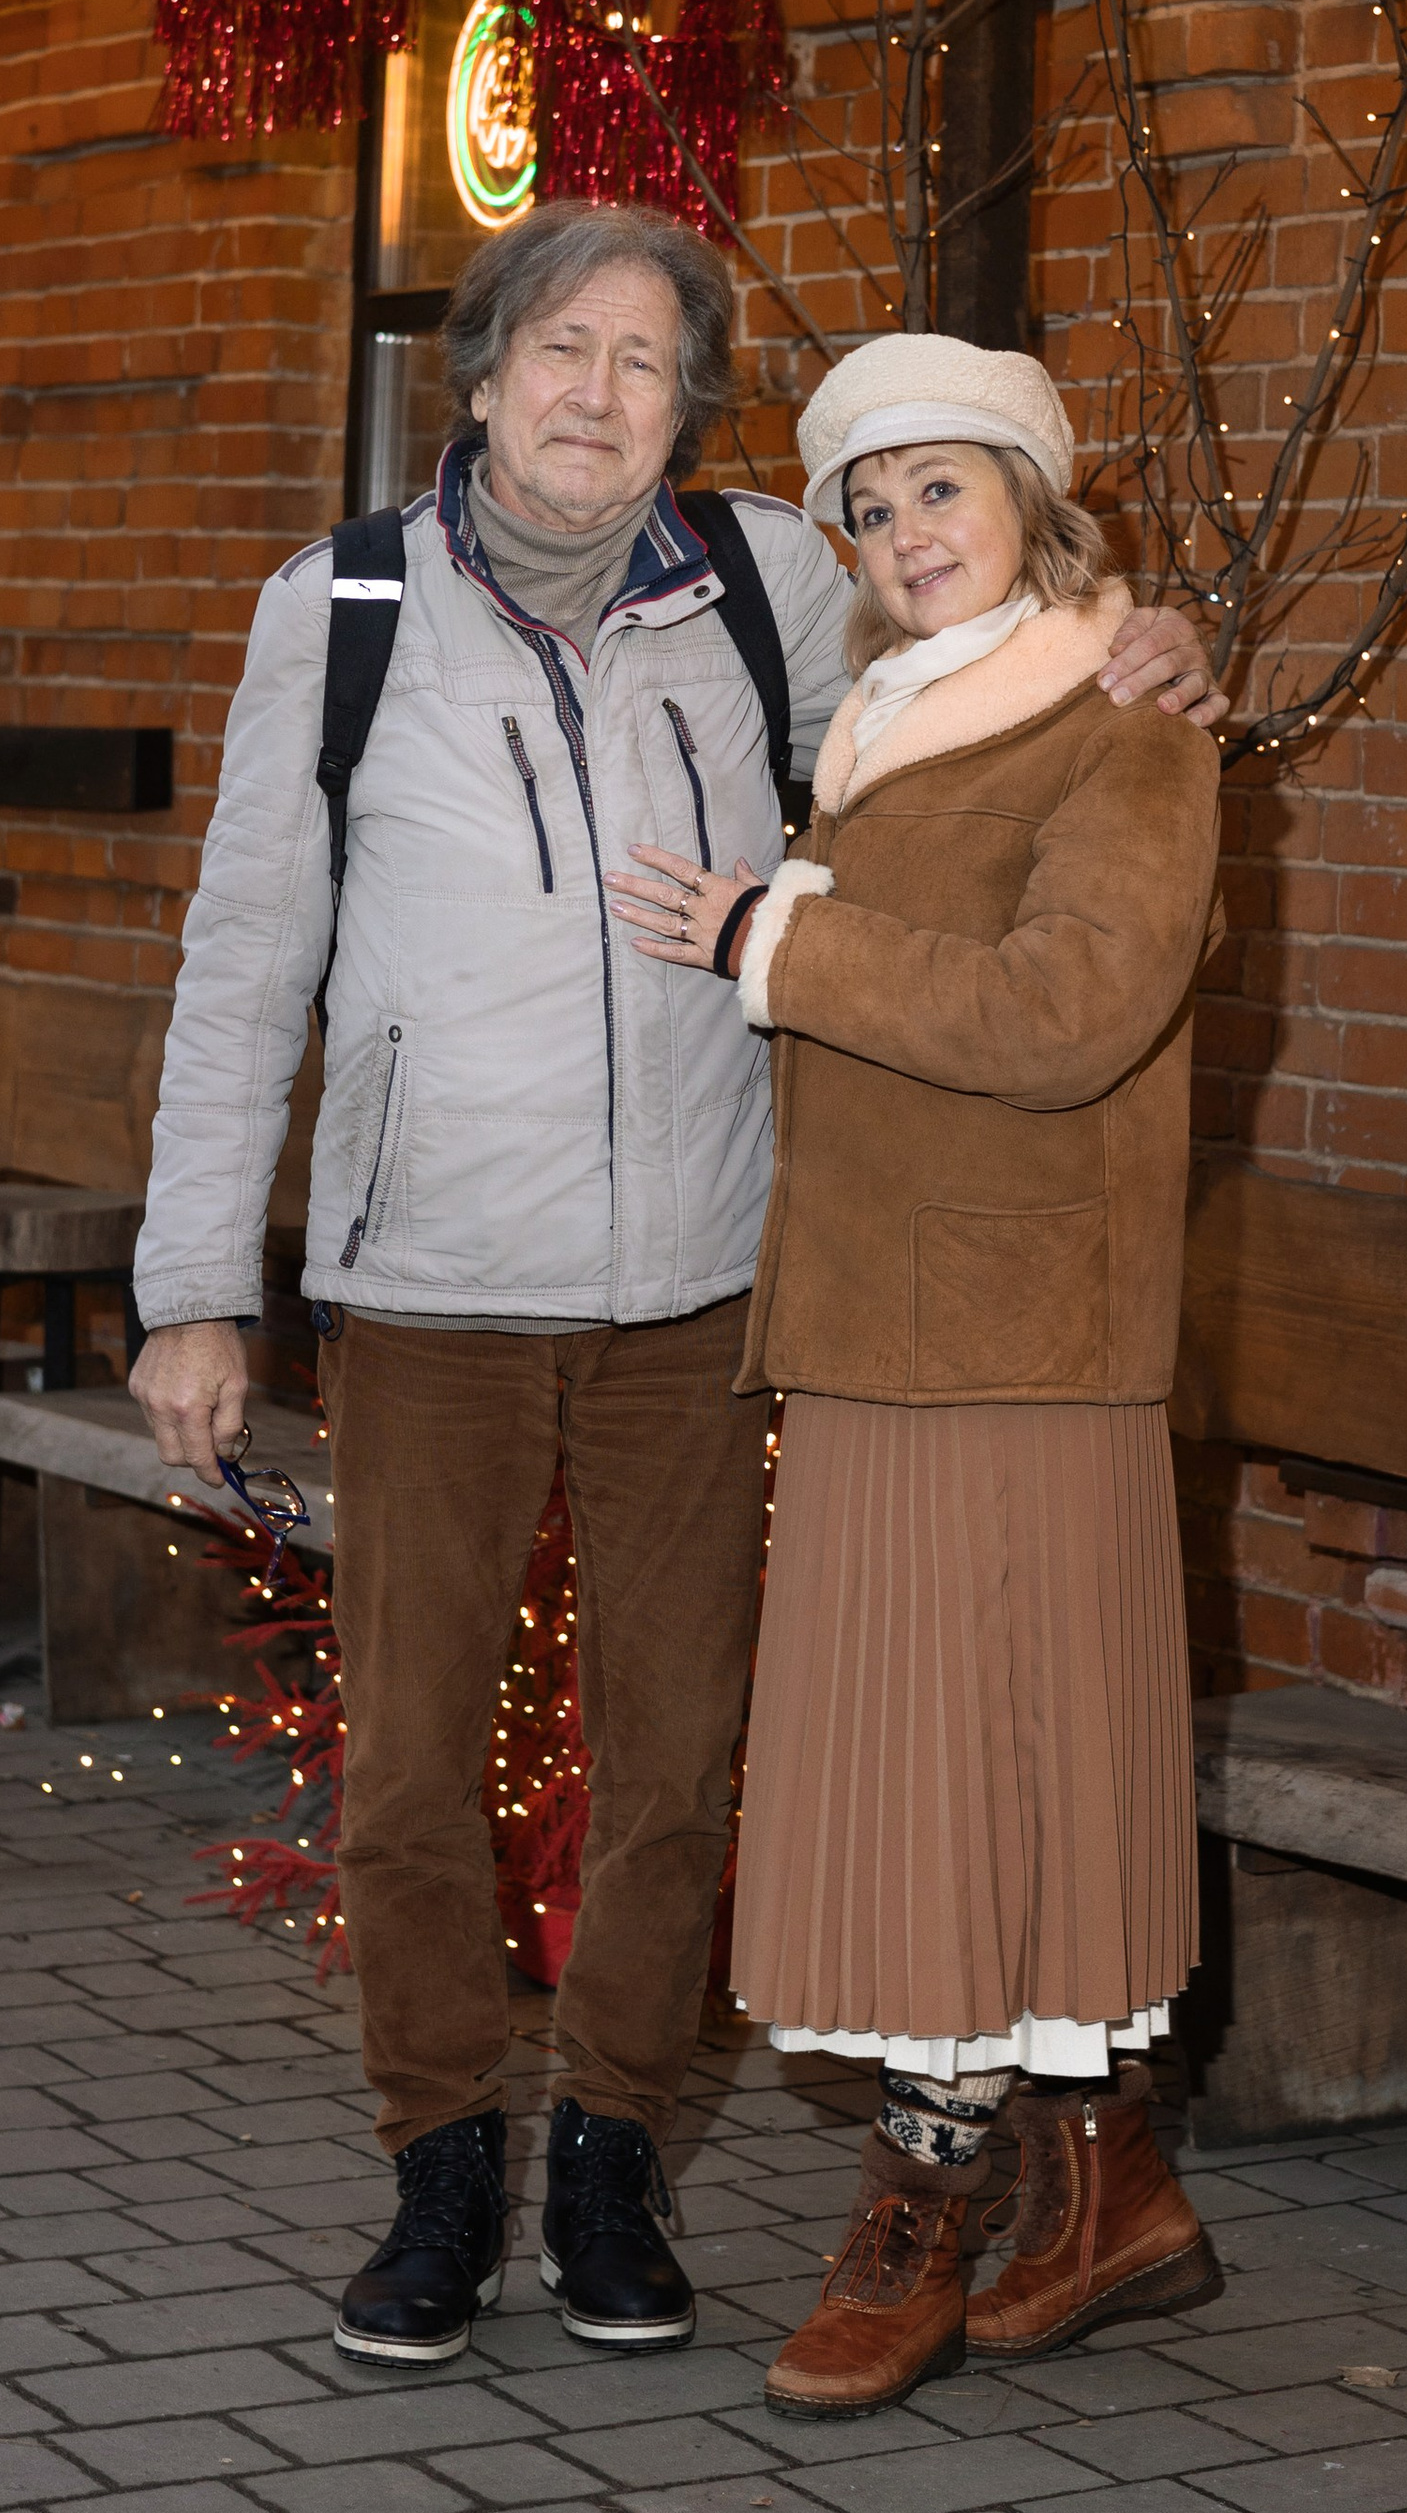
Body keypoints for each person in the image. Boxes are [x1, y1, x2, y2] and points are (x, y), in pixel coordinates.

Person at [127, 202, 1224, 2372]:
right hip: (430, 1283)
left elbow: (977, 671)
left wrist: (1166, 638)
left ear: (684, 413)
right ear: (481, 369)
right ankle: (444, 2167)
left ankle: (616, 2158)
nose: (594, 394)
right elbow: (246, 957)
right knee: (414, 1773)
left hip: (704, 1294)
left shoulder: (767, 580)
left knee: (672, 1765)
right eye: (560, 347)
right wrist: (188, 1282)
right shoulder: (342, 607)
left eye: (643, 363)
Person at [609, 330, 1225, 2417]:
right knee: (982, 1759)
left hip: (1015, 1341)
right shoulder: (887, 716)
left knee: (966, 1775)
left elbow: (1064, 1012)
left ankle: (929, 2192)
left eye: (936, 488)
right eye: (865, 509)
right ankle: (1105, 2179)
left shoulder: (1115, 719)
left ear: (1033, 503)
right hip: (886, 1328)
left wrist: (771, 940)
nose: (896, 533)